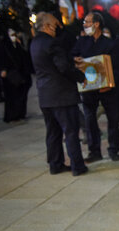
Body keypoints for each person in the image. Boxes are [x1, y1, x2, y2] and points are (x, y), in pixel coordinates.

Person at [30, 12, 87, 176]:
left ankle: (55, 165)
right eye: (55, 25)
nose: (57, 29)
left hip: (45, 95)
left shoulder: (34, 43)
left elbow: (49, 64)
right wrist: (80, 76)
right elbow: (62, 67)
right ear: (47, 26)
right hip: (61, 95)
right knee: (70, 131)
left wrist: (70, 60)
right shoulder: (52, 43)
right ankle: (77, 166)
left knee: (53, 132)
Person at [71, 12, 119, 162]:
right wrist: (76, 59)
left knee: (112, 119)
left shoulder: (110, 44)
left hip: (107, 89)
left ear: (96, 24)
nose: (85, 25)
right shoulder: (82, 42)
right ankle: (94, 151)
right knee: (90, 119)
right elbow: (72, 56)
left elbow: (118, 67)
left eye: (87, 22)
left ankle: (113, 149)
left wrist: (110, 84)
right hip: (89, 88)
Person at [0, 28, 32, 123]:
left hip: (20, 74)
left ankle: (20, 113)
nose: (14, 37)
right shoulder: (2, 46)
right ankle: (12, 115)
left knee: (21, 95)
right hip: (10, 76)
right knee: (12, 96)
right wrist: (2, 69)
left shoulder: (17, 45)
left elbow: (24, 57)